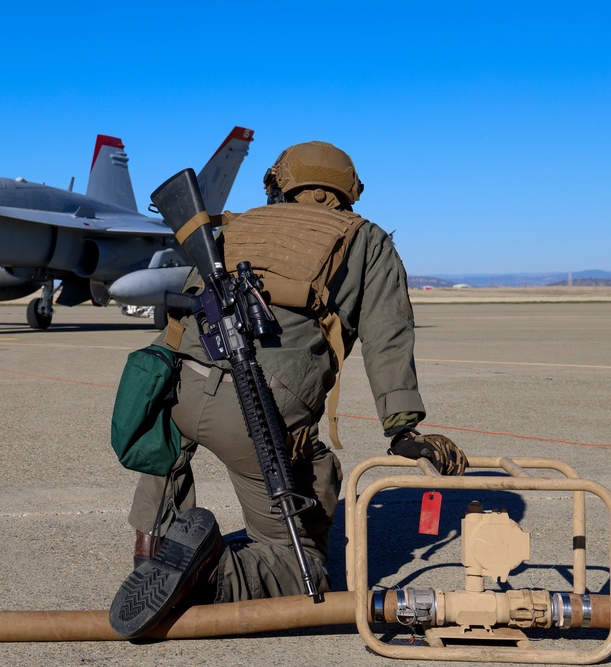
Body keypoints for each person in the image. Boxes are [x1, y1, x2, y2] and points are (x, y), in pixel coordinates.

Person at [109, 141, 468, 639]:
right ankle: (212, 575)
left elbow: (182, 314)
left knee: (165, 455)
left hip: (183, 390)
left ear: (280, 182)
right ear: (348, 190)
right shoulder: (367, 240)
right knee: (304, 570)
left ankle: (154, 548)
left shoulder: (235, 226)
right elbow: (389, 337)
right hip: (260, 412)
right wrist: (403, 429)